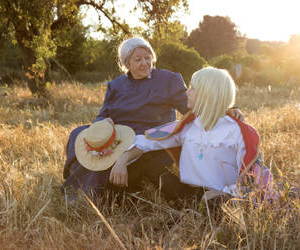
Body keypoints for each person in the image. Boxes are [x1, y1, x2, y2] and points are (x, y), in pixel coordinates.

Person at [62, 37, 243, 199]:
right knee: (79, 133)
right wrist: (101, 123)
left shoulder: (168, 79)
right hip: (118, 136)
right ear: (127, 63)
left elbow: (193, 104)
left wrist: (225, 109)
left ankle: (92, 194)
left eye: (148, 58)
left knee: (125, 155)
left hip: (152, 137)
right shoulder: (116, 85)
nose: (144, 63)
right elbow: (104, 113)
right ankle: (77, 185)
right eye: (138, 59)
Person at [109, 67, 261, 201]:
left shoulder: (240, 132)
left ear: (206, 94)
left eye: (192, 88)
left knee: (215, 205)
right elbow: (147, 142)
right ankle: (119, 200)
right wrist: (122, 159)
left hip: (219, 199)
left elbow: (250, 181)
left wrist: (222, 195)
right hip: (184, 195)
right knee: (144, 160)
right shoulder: (186, 126)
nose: (187, 92)